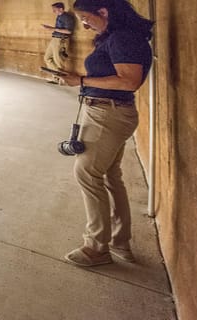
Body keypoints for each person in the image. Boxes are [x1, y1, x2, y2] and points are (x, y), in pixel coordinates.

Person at [57, 0, 153, 267]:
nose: (84, 24)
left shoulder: (123, 38)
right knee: (110, 175)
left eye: (86, 17)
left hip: (107, 114)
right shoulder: (116, 37)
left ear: (104, 12)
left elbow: (129, 80)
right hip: (107, 111)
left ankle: (96, 248)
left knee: (86, 173)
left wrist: (83, 80)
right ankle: (120, 242)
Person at [42, 2, 76, 83]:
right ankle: (57, 77)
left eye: (55, 10)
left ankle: (61, 80)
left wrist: (53, 28)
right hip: (55, 39)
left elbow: (69, 31)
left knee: (58, 62)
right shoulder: (59, 16)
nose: (53, 11)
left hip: (61, 40)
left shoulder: (67, 17)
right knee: (47, 58)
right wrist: (52, 29)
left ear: (61, 9)